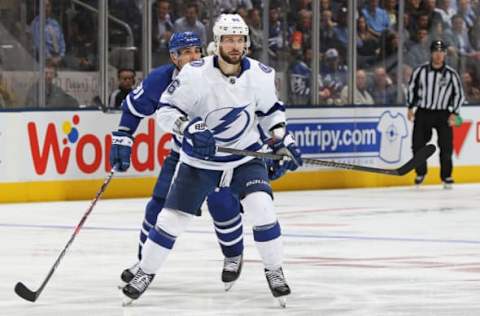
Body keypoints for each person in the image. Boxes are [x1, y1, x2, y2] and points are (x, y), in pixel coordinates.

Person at [121, 14, 302, 307]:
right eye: (228, 39)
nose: (235, 45)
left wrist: (283, 139)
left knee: (263, 209)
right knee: (170, 219)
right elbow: (166, 111)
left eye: (240, 39)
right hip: (199, 162)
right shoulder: (193, 73)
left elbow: (271, 113)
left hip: (244, 159)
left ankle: (274, 271)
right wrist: (188, 127)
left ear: (246, 42)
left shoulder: (261, 74)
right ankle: (145, 272)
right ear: (216, 43)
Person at [406, 40, 465, 189]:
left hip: (443, 113)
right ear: (431, 53)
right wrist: (410, 107)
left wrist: (454, 113)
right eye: (436, 52)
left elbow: (459, 94)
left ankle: (446, 176)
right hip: (423, 112)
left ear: (445, 54)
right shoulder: (420, 71)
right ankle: (421, 172)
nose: (438, 55)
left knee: (446, 147)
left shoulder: (451, 74)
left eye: (441, 52)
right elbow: (411, 88)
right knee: (417, 144)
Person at [30, 0, 66, 66]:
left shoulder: (55, 23)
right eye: (43, 6)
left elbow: (61, 41)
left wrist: (61, 56)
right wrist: (50, 57)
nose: (46, 8)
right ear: (39, 8)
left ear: (51, 7)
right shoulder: (36, 23)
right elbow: (38, 44)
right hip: (44, 59)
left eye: (48, 6)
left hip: (58, 58)